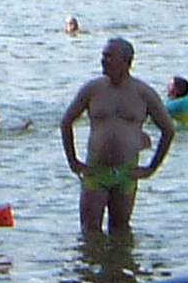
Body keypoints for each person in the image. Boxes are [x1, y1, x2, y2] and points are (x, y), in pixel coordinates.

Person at [59, 36, 174, 233]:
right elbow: (66, 122)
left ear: (126, 62)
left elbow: (168, 130)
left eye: (110, 57)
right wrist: (73, 162)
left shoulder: (143, 93)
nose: (104, 60)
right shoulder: (93, 89)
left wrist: (151, 168)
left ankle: (119, 254)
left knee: (120, 229)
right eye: (103, 56)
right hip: (96, 169)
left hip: (126, 171)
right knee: (90, 230)